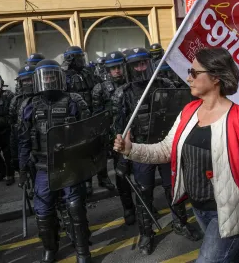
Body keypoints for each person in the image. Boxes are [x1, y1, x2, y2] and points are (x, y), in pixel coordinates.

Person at [114, 47, 239, 263]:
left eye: (194, 73)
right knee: (235, 253)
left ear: (215, 78)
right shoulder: (189, 111)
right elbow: (167, 149)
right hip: (199, 208)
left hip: (229, 213)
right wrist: (130, 150)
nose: (188, 78)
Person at [112, 47, 200, 256]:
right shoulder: (122, 94)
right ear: (130, 68)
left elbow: (179, 114)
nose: (141, 68)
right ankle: (146, 234)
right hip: (141, 150)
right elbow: (119, 127)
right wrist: (122, 158)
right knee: (144, 192)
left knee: (174, 188)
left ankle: (180, 223)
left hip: (164, 146)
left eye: (143, 63)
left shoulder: (165, 85)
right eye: (136, 65)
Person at [18, 59, 92, 263]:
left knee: (75, 207)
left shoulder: (74, 101)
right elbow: (23, 140)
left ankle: (82, 251)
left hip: (70, 164)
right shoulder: (30, 105)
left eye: (52, 75)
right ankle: (50, 248)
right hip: (43, 166)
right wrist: (23, 170)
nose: (49, 80)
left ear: (59, 77)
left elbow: (88, 133)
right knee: (42, 211)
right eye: (45, 76)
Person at [92, 51, 133, 223]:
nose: (117, 71)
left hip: (135, 134)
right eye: (113, 68)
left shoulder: (132, 83)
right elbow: (97, 118)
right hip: (115, 138)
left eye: (119, 67)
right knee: (121, 175)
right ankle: (128, 208)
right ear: (107, 70)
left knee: (140, 173)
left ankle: (145, 205)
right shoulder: (100, 89)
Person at [64, 46, 110, 196]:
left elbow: (98, 88)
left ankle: (103, 178)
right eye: (79, 58)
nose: (82, 60)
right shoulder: (65, 75)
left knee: (99, 148)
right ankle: (88, 181)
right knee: (84, 151)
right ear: (71, 59)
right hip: (78, 118)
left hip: (94, 114)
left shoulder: (88, 72)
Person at [9, 65, 36, 174]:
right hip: (24, 140)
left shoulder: (44, 96)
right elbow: (13, 127)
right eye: (25, 81)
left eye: (30, 80)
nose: (28, 83)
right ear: (20, 83)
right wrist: (15, 155)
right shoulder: (16, 101)